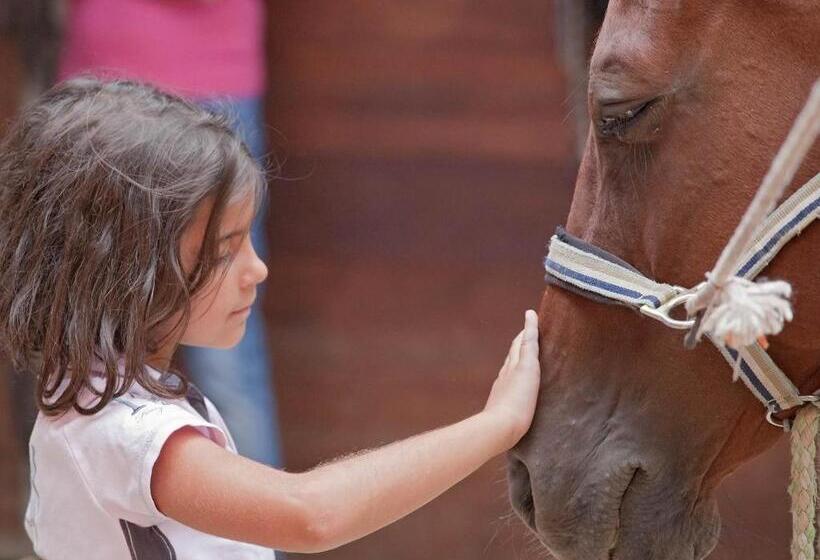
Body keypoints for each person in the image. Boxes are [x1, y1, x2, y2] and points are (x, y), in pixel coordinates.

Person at [0, 78, 541, 559]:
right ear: (124, 267)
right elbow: (311, 515)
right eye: (223, 252)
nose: (256, 270)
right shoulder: (122, 433)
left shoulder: (103, 397)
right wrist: (494, 425)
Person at [56, 0, 283, 467]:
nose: (257, 267)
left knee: (226, 357)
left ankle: (255, 511)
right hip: (97, 87)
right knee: (83, 343)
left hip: (203, 86)